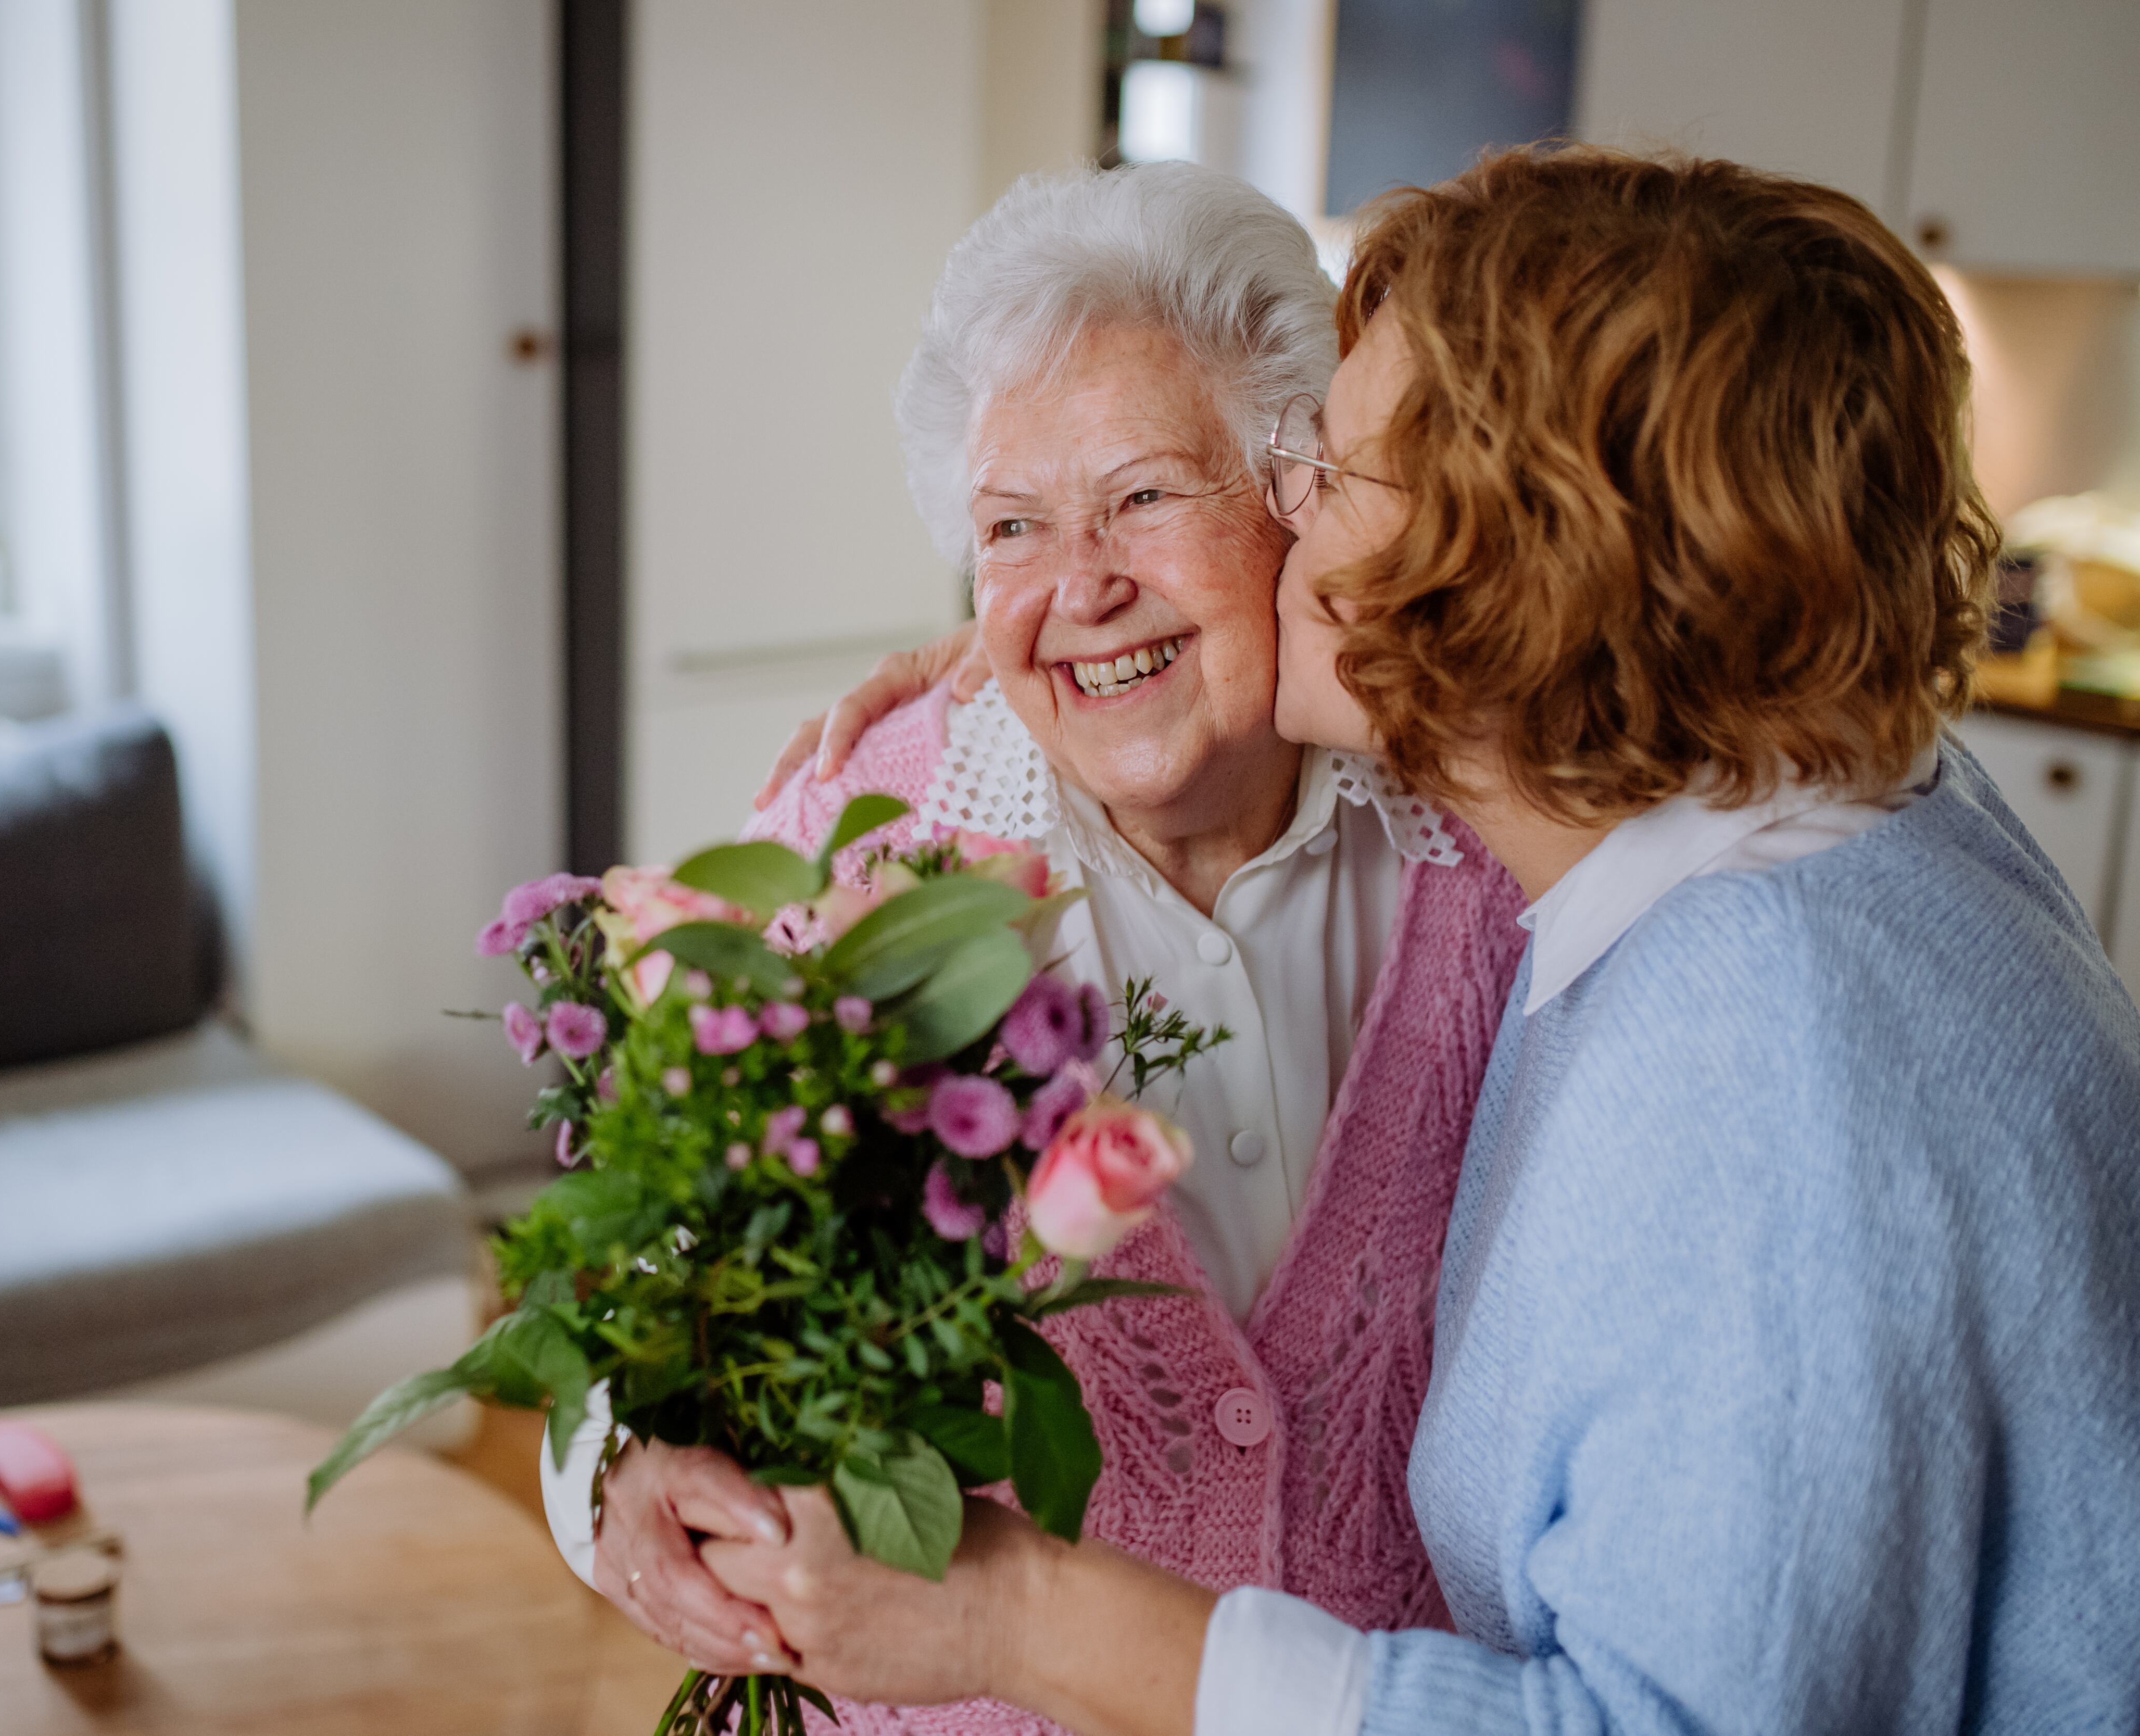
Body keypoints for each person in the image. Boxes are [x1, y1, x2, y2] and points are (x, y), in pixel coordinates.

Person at [694, 147, 2140, 1734]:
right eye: (1012, 526)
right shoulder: (1866, 804)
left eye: (1328, 474)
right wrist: (1058, 591)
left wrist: (1026, 1615)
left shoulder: (1766, 1050)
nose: (1293, 516)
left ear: (1533, 560)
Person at [544, 162, 1529, 1729]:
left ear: (1306, 494)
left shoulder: (1490, 821)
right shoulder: (861, 834)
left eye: (1143, 496)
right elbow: (636, 1303)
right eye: (1012, 527)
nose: (1079, 587)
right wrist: (613, 1482)